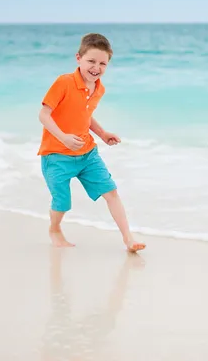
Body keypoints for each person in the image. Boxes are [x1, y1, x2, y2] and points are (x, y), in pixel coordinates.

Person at [38, 33, 146, 253]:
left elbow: (84, 115)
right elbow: (44, 115)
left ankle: (129, 239)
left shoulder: (99, 89)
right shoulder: (64, 82)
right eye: (91, 61)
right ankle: (55, 228)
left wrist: (102, 133)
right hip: (56, 155)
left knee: (111, 192)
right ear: (78, 58)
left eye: (102, 63)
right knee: (62, 201)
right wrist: (64, 137)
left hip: (87, 154)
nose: (96, 68)